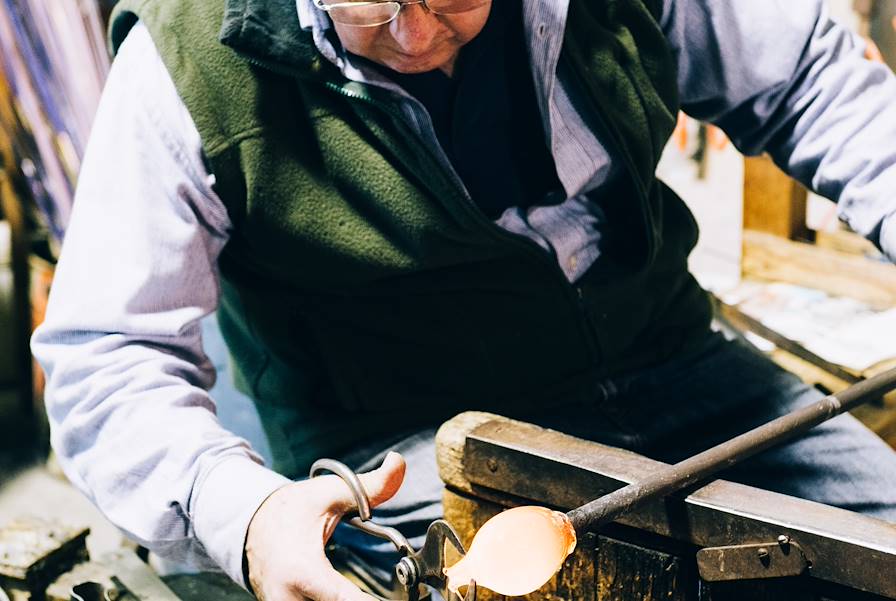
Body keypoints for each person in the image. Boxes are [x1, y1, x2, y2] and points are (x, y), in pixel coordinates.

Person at [31, 0, 896, 599]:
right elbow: (105, 355)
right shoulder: (182, 61)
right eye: (369, 8)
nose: (414, 32)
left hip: (677, 365)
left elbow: (816, 83)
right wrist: (246, 515)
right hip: (407, 445)